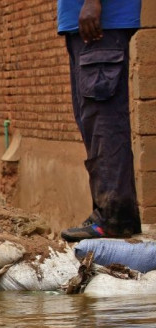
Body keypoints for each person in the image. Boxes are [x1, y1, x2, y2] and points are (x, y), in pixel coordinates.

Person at [58, 0, 142, 241]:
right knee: (93, 122)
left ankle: (113, 218)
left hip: (98, 23)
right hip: (84, 25)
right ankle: (111, 215)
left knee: (105, 122)